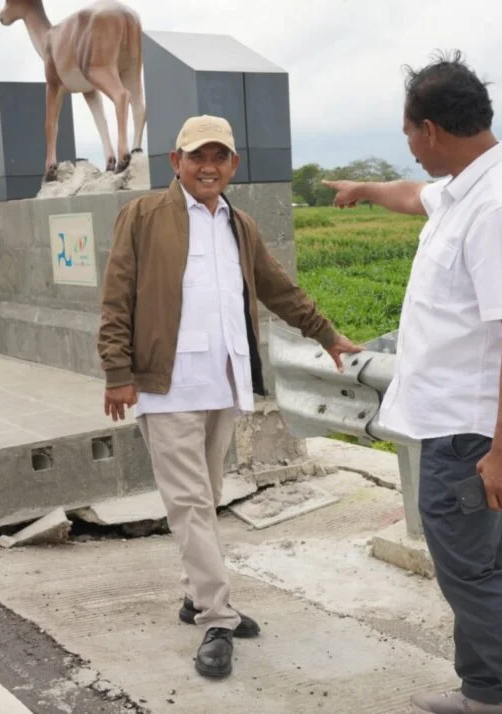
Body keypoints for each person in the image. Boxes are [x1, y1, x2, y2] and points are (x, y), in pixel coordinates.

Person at [324, 52, 502, 714]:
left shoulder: (499, 208)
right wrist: (363, 190)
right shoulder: (463, 187)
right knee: (486, 569)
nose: (412, 153)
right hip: (454, 425)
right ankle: (484, 693)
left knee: (472, 580)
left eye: (410, 138)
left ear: (431, 130)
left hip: (472, 437)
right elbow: (410, 194)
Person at [98, 115, 361, 679]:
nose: (208, 166)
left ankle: (196, 595)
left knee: (208, 497)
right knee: (190, 504)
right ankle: (216, 618)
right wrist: (116, 370)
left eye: (219, 157)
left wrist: (328, 334)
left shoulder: (239, 224)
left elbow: (276, 287)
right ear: (176, 162)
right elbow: (116, 296)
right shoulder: (143, 216)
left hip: (224, 379)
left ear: (233, 165)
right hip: (164, 385)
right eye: (198, 156)